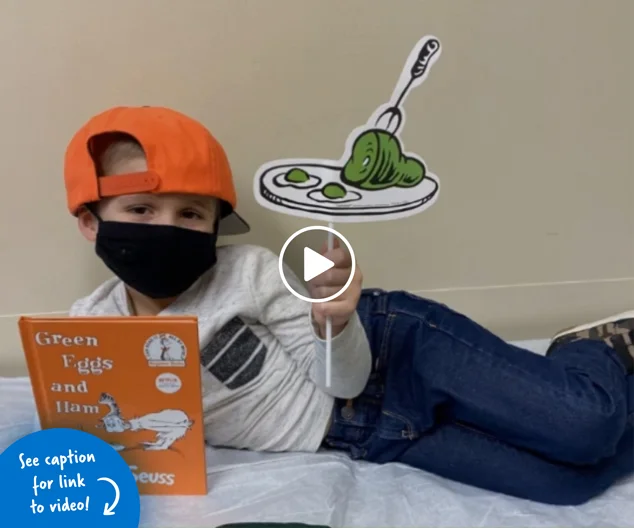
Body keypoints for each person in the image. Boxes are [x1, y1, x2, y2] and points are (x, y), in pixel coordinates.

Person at [64, 106, 633, 506]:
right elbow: (102, 435)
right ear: (91, 223)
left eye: (190, 214)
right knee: (571, 484)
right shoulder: (89, 331)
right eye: (140, 210)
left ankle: (592, 348)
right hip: (366, 435)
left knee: (584, 426)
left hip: (393, 350)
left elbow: (345, 378)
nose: (167, 228)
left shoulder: (249, 270)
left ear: (214, 225)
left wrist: (333, 321)